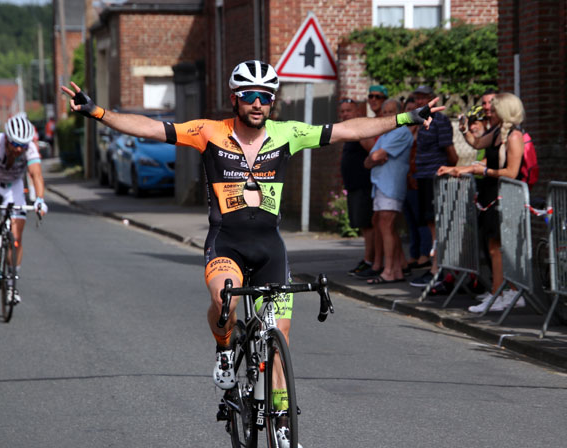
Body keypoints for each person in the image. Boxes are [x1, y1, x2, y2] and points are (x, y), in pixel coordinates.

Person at [61, 60, 442, 447]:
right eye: (250, 96)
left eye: (266, 97)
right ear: (235, 99)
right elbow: (150, 127)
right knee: (222, 297)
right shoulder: (210, 132)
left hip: (269, 248)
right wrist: (97, 112)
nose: (258, 103)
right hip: (226, 242)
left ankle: (280, 418)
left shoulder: (287, 134)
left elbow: (348, 129)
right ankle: (225, 350)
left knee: (281, 337)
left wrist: (407, 117)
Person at [438, 92, 527, 313]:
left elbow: (512, 171)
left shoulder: (514, 137)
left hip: (504, 195)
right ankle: (499, 292)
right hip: (491, 195)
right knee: (494, 247)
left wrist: (484, 170)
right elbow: (477, 144)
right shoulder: (497, 132)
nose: (490, 111)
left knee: (500, 247)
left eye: (495, 108)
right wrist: (464, 129)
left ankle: (508, 292)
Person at [0, 113, 48, 305]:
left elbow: (36, 175)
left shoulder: (30, 149)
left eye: (23, 145)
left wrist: (39, 199)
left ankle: (11, 284)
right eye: (15, 144)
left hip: (14, 186)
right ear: (6, 138)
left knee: (16, 236)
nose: (19, 149)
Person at [408, 85, 458, 289]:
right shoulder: (419, 121)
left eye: (423, 98)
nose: (420, 102)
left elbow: (451, 153)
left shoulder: (441, 120)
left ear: (432, 99)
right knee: (430, 223)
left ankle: (439, 270)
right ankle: (435, 268)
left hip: (435, 177)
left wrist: (447, 171)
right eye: (417, 98)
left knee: (437, 223)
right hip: (422, 177)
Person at [363, 99, 412, 284]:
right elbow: (368, 161)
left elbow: (374, 156)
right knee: (383, 224)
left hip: (391, 185)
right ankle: (397, 269)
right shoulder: (385, 134)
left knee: (386, 224)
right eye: (385, 112)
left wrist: (375, 158)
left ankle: (389, 270)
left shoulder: (401, 131)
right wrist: (375, 158)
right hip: (380, 184)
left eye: (392, 112)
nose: (388, 115)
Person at [339, 98, 377, 278]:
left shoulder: (360, 130)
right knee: (362, 226)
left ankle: (370, 261)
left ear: (358, 113)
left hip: (364, 186)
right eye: (343, 111)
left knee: (367, 225)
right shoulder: (350, 131)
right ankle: (368, 259)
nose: (345, 114)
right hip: (354, 186)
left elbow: (373, 149)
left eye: (349, 111)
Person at [401, 97, 431, 271]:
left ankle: (424, 254)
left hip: (417, 180)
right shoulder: (403, 129)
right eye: (408, 110)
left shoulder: (422, 129)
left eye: (414, 109)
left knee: (421, 219)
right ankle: (413, 254)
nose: (412, 112)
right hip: (405, 180)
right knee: (410, 221)